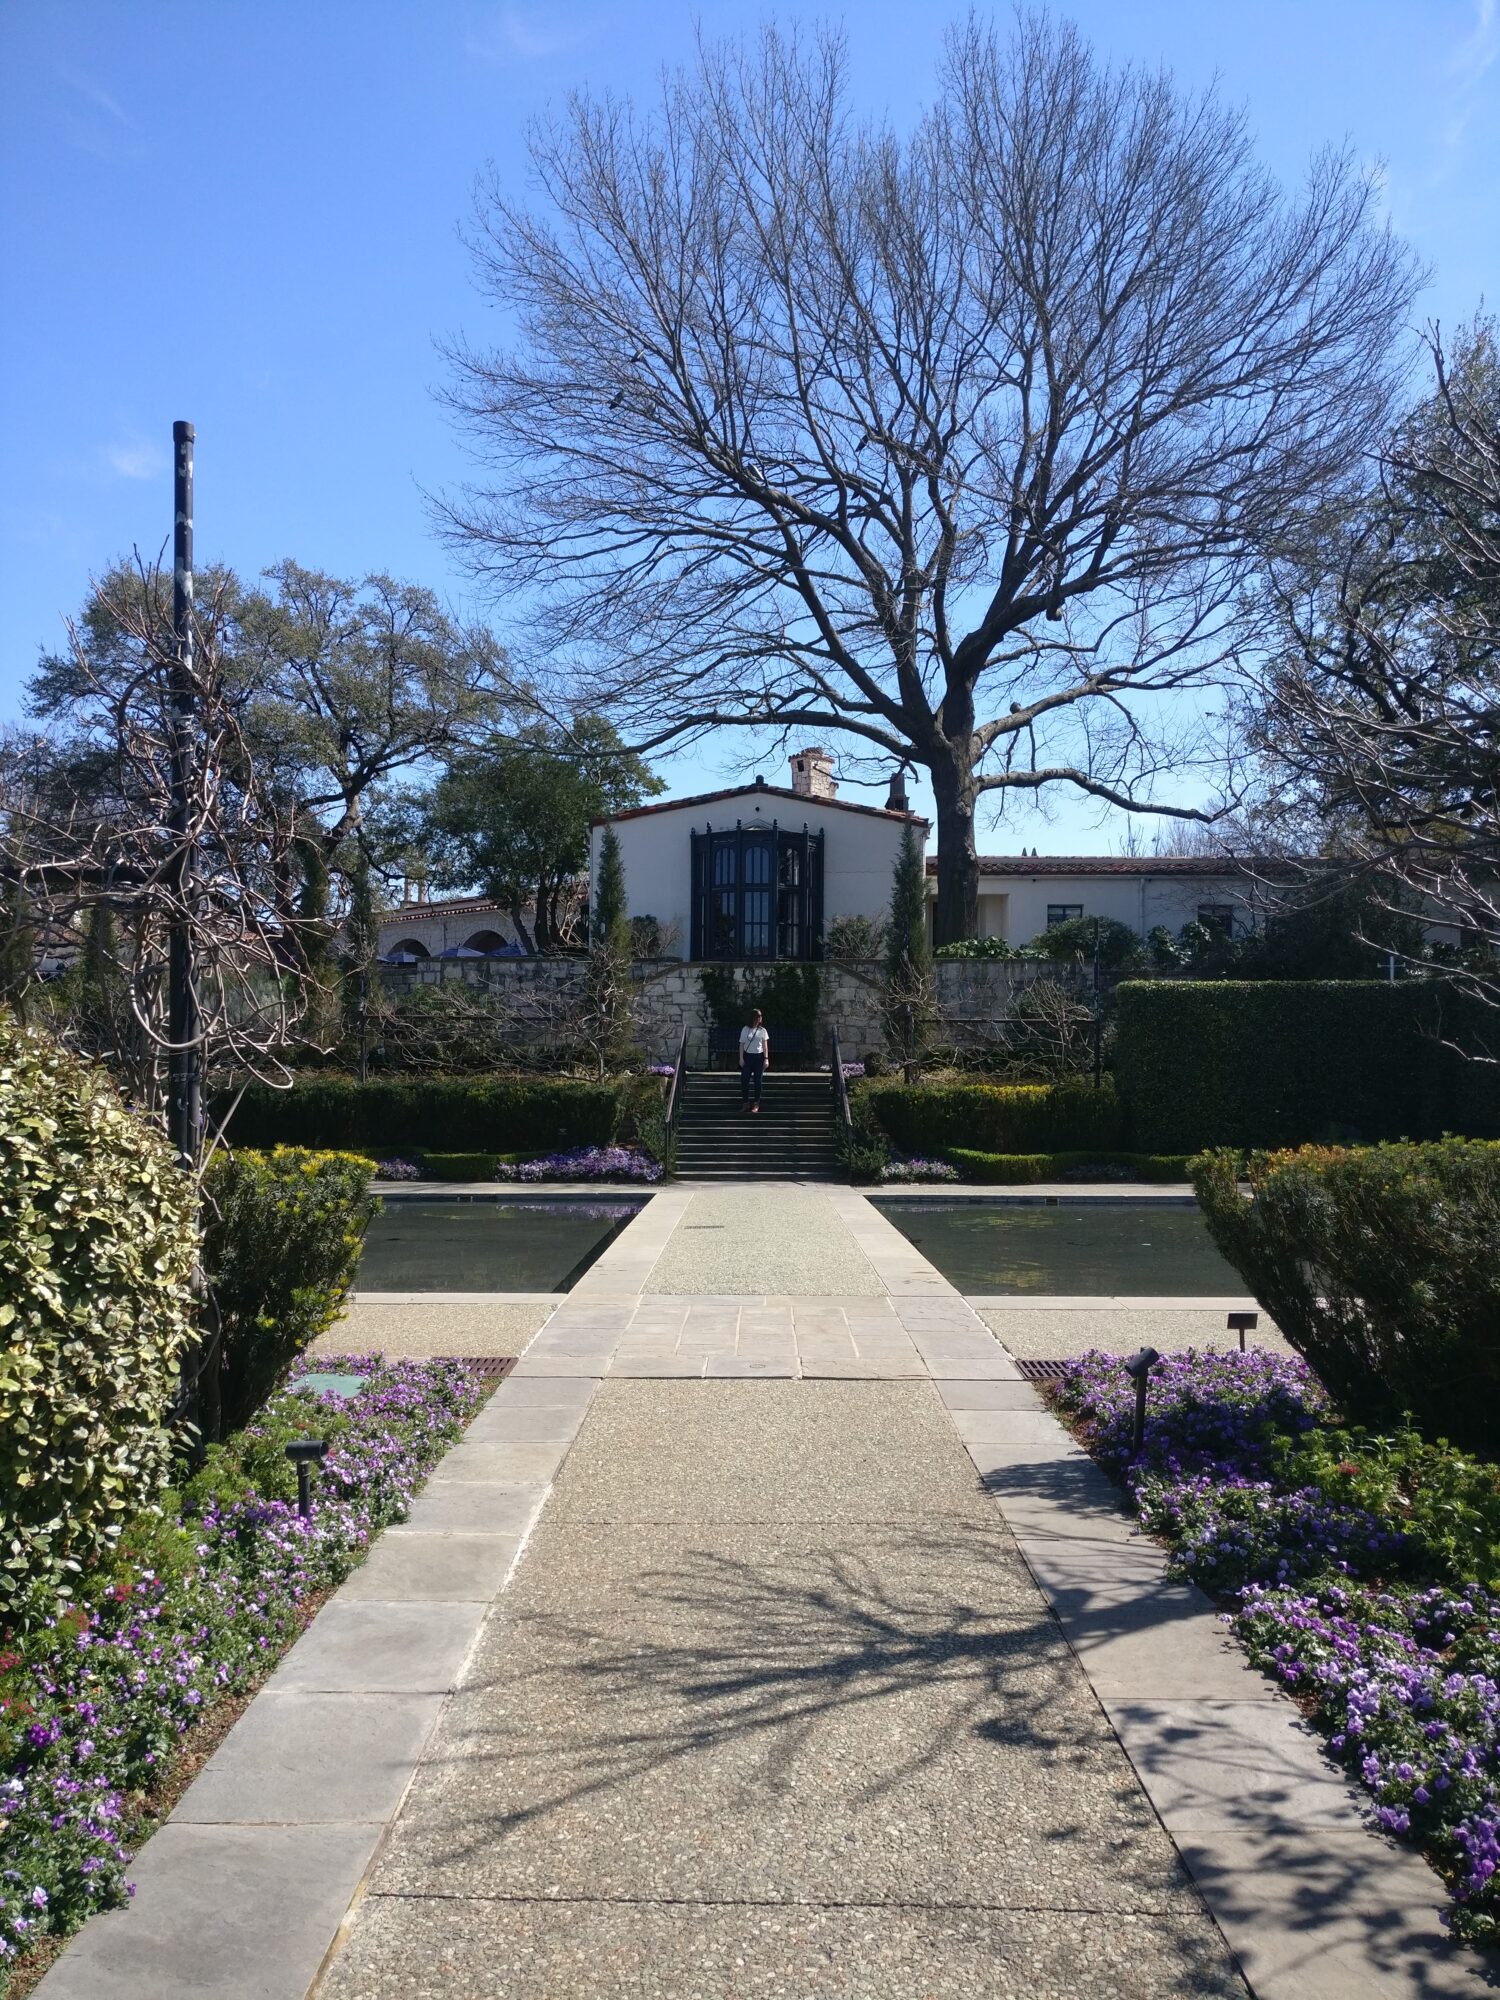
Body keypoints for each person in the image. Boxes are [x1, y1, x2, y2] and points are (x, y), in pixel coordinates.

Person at [739, 1007, 770, 1114]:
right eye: (757, 1016)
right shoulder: (745, 1029)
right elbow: (741, 1044)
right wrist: (741, 1058)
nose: (759, 1018)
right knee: (744, 1079)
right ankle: (745, 1103)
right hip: (748, 1057)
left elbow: (765, 1046)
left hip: (759, 1057)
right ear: (753, 1017)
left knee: (758, 1081)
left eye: (760, 1016)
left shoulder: (763, 1031)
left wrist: (766, 1059)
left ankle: (756, 1104)